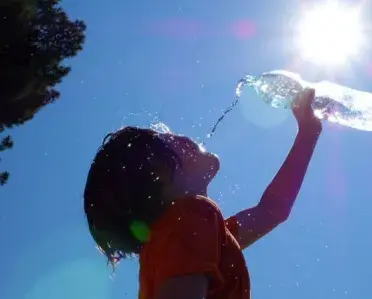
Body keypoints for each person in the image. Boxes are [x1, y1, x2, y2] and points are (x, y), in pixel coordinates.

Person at [83, 88, 322, 299]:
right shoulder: (190, 219)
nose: (178, 136)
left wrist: (308, 132)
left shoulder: (193, 235)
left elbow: (272, 211)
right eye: (166, 140)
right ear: (159, 176)